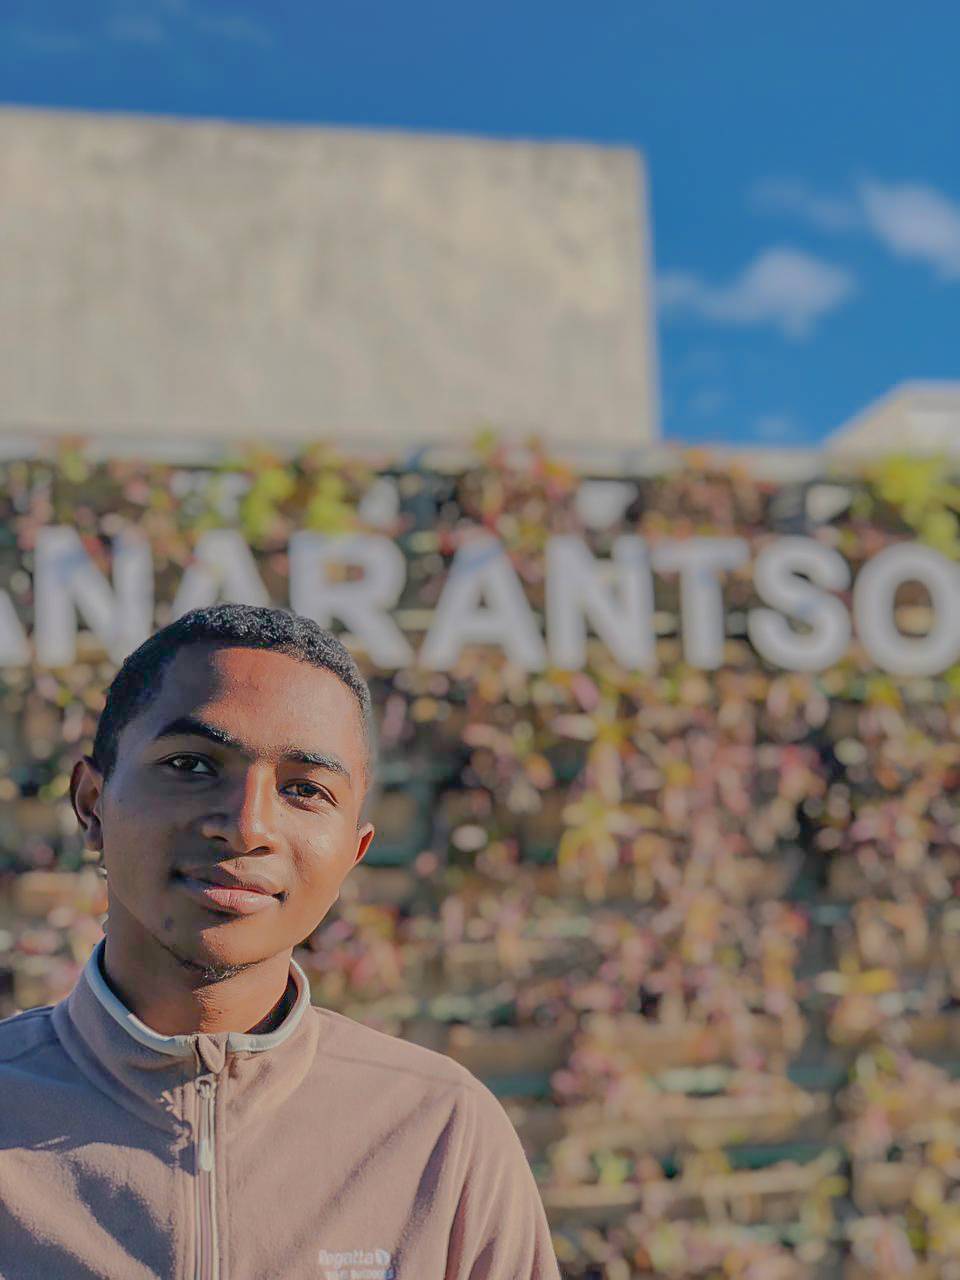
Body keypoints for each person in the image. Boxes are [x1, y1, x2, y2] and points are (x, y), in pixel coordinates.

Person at [0, 603, 561, 1280]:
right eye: (192, 764)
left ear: (353, 853)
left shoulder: (441, 1132)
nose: (247, 826)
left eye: (305, 789)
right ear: (92, 804)